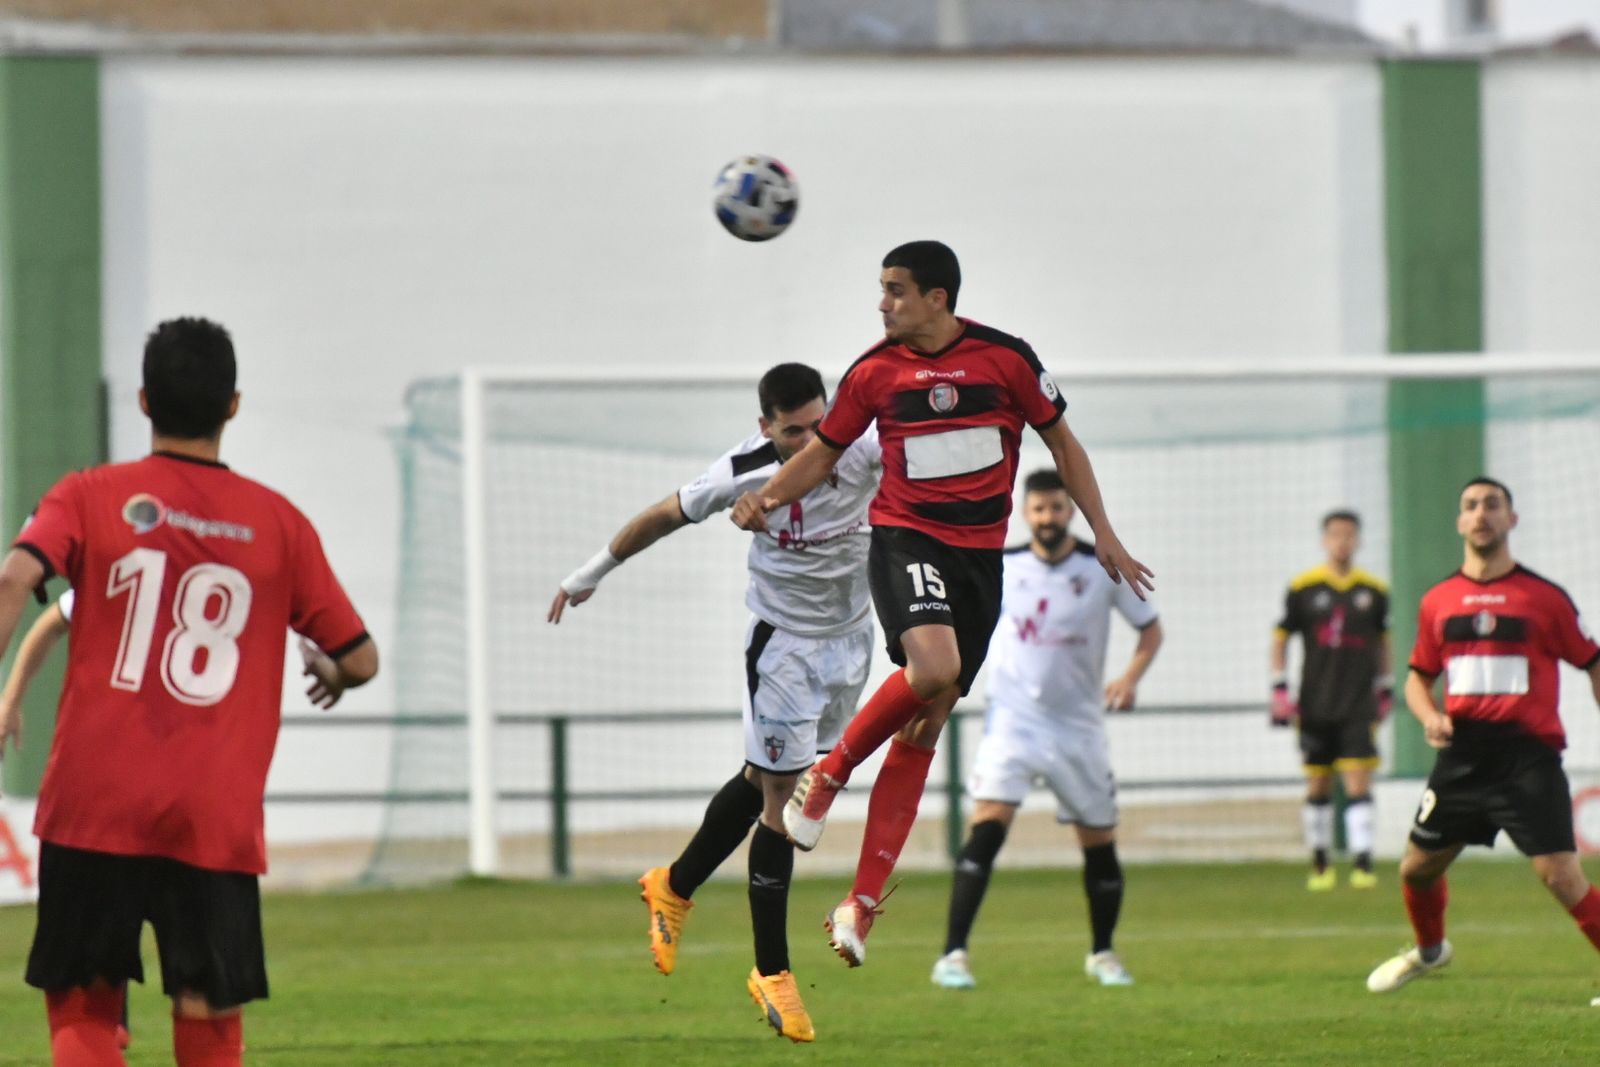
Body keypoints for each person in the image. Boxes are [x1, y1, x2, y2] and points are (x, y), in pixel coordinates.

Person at [731, 240, 1152, 968]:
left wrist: (1105, 532)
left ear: (937, 298)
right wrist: (765, 497)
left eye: (895, 290)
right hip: (905, 540)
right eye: (882, 289)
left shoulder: (1006, 360)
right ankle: (827, 777)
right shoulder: (873, 372)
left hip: (977, 561)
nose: (883, 303)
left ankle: (860, 903)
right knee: (933, 668)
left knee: (926, 723)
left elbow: (1064, 445)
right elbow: (822, 454)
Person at [0, 317, 378, 1067]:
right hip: (213, 811)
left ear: (144, 400)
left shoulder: (87, 494)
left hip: (94, 802)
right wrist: (332, 674)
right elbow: (360, 658)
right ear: (232, 405)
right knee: (208, 1012)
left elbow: (16, 578)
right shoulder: (280, 524)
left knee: (85, 1003)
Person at [547, 363, 880, 1043]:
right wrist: (589, 573)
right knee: (785, 800)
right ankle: (773, 973)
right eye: (793, 431)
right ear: (765, 428)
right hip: (784, 647)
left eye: (818, 423)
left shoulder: (862, 444)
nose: (810, 440)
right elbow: (662, 515)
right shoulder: (743, 471)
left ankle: (674, 884)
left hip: (852, 639)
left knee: (764, 777)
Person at [1366, 477, 1600, 996]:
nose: (1481, 514)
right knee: (1416, 870)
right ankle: (1430, 952)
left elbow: (1593, 661)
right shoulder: (1439, 600)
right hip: (1463, 758)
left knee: (1561, 876)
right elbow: (1417, 678)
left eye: (1493, 505)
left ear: (1511, 520)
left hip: (1527, 759)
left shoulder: (1545, 598)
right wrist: (1429, 716)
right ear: (1459, 522)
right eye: (1471, 506)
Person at [930, 469, 1162, 991]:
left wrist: (1129, 678)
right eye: (1039, 509)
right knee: (986, 830)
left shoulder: (1100, 566)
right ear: (1025, 512)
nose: (1048, 518)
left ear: (1070, 510)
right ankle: (952, 955)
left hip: (1078, 727)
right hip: (1013, 725)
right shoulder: (1002, 566)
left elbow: (1150, 629)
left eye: (1056, 508)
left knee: (1098, 840)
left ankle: (1103, 953)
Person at [1270, 510, 1393, 890]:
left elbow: (1383, 641)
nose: (1343, 541)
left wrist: (1385, 685)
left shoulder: (1373, 591)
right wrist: (1279, 687)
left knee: (1358, 782)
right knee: (1318, 783)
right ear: (1324, 540)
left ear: (1359, 540)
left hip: (1357, 703)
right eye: (1336, 534)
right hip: (1315, 703)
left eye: (1350, 534)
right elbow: (1281, 636)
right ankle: (1321, 863)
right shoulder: (1304, 588)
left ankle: (1363, 863)